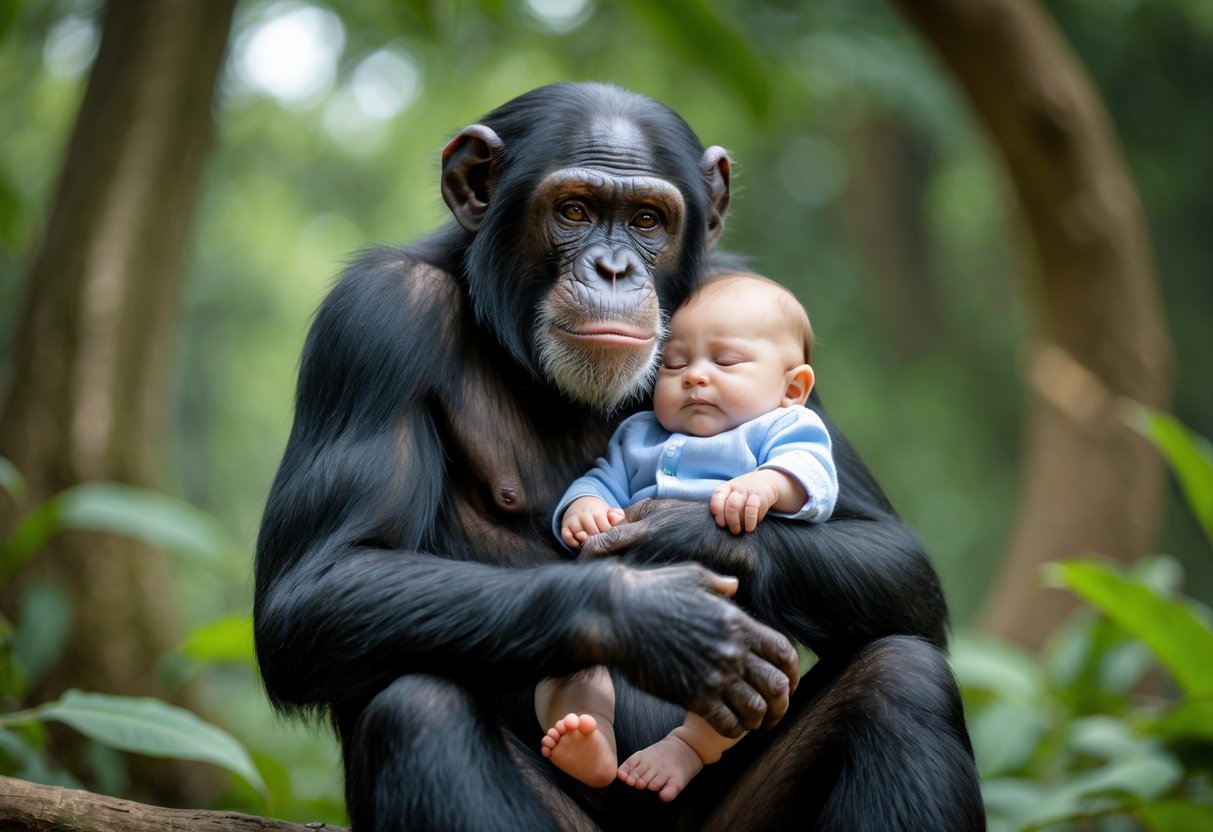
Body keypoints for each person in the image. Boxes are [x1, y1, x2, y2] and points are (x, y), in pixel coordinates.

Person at [535, 272, 839, 802]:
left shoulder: (780, 430)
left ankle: (690, 747)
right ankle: (591, 734)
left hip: (731, 615)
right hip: (622, 618)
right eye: (674, 364)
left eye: (724, 363)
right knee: (565, 665)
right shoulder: (640, 435)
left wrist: (769, 485)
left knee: (746, 677)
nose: (695, 377)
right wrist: (585, 506)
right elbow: (602, 479)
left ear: (792, 389)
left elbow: (814, 478)